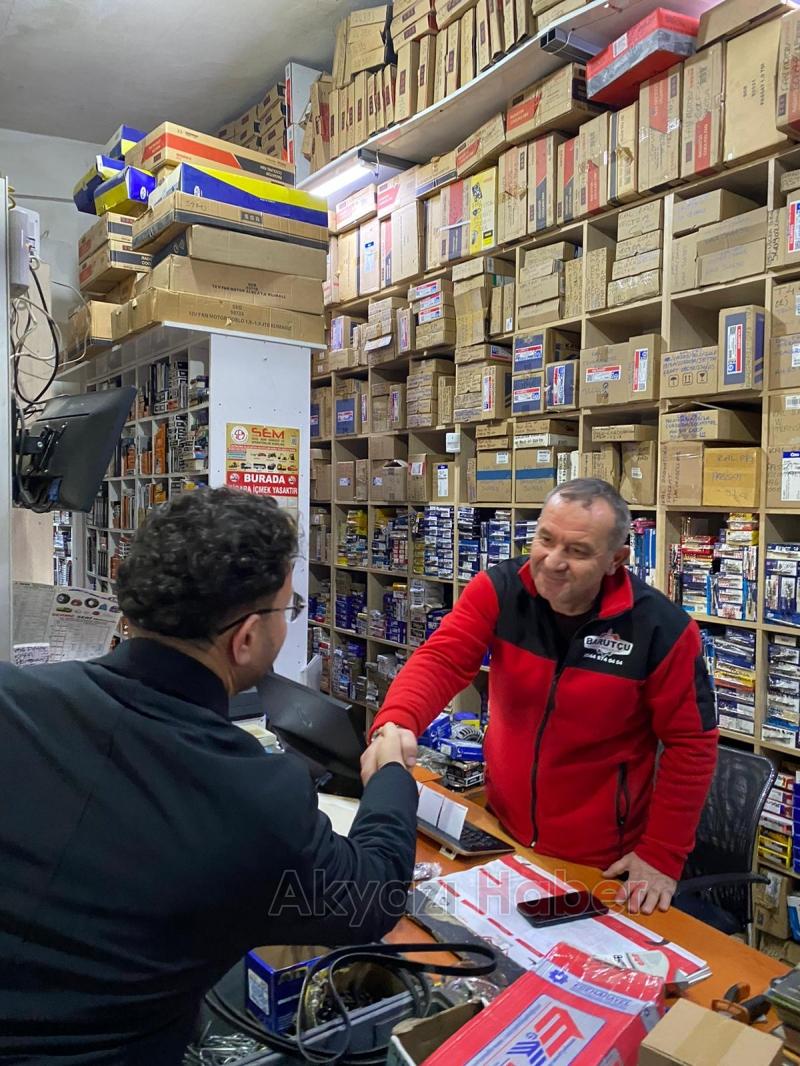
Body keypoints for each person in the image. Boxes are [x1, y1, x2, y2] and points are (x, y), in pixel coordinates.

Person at [0, 488, 418, 1066]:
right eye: (287, 608)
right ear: (244, 638)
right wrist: (392, 774)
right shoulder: (253, 800)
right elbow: (374, 896)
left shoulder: (12, 698)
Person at [364, 478, 718, 916]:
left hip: (601, 861)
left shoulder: (662, 630)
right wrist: (397, 722)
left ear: (616, 560)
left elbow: (692, 743)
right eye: (545, 539)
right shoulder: (501, 589)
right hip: (502, 830)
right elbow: (442, 659)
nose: (552, 561)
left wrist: (662, 854)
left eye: (577, 551)